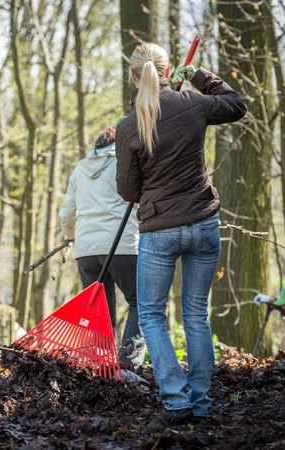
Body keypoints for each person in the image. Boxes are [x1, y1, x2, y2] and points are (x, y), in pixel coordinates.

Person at [115, 43, 247, 425]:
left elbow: (128, 192)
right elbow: (235, 104)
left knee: (153, 317)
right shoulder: (194, 104)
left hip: (159, 231)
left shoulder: (128, 127)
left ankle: (176, 399)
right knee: (196, 316)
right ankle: (201, 403)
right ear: (170, 69)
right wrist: (200, 76)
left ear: (134, 77)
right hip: (204, 225)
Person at [59, 126, 144, 369]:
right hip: (123, 246)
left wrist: (70, 237)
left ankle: (101, 365)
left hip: (86, 251)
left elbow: (67, 213)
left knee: (100, 312)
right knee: (141, 301)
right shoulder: (124, 164)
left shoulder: (80, 169)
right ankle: (128, 362)